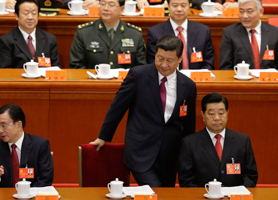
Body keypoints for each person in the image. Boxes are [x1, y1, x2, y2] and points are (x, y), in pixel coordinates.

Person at [90, 35, 197, 187]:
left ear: (180, 59)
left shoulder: (188, 85)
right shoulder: (138, 75)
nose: (164, 64)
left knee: (166, 193)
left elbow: (188, 123)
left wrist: (188, 154)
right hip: (140, 151)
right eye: (160, 58)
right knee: (156, 192)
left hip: (170, 155)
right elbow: (118, 107)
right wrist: (103, 136)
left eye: (169, 60)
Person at [178, 93, 258, 187]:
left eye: (221, 113)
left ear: (227, 113)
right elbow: (186, 180)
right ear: (203, 115)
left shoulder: (243, 141)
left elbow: (251, 175)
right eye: (211, 114)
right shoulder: (189, 143)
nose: (216, 118)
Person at [0, 104, 53, 187]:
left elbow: (46, 179)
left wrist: (26, 194)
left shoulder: (40, 145)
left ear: (19, 124)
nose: (0, 131)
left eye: (4, 126)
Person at [69, 0, 146, 69]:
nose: (105, 8)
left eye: (111, 5)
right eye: (102, 4)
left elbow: (141, 67)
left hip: (125, 82)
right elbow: (76, 65)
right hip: (94, 82)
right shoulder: (84, 32)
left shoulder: (134, 34)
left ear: (122, 9)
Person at [147, 0, 214, 70]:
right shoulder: (155, 32)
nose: (179, 9)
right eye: (175, 5)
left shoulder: (203, 31)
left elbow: (208, 63)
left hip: (196, 78)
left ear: (189, 6)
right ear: (168, 6)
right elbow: (154, 64)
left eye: (183, 5)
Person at [0, 0, 61, 68]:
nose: (30, 17)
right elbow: (3, 72)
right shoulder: (6, 41)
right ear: (16, 16)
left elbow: (56, 69)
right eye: (26, 13)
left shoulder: (50, 39)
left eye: (34, 13)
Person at [220, 0, 278, 70]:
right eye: (241, 11)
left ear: (261, 12)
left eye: (249, 11)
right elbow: (225, 67)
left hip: (268, 79)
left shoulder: (275, 32)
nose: (245, 16)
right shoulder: (230, 33)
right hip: (241, 79)